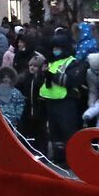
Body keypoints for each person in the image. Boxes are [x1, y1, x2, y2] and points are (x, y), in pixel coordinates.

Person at [39, 32, 82, 163]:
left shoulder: (72, 63)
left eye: (58, 47)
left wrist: (50, 75)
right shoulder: (52, 62)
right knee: (54, 132)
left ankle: (72, 159)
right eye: (54, 47)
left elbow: (70, 81)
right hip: (51, 101)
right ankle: (59, 157)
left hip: (66, 102)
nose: (55, 50)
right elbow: (46, 81)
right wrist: (44, 73)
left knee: (67, 131)